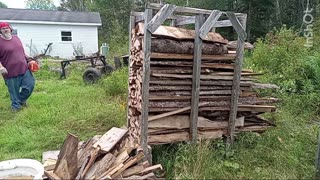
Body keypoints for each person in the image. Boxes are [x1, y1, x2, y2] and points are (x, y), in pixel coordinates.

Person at [0, 22, 36, 112]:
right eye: (3, 28)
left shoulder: (16, 38)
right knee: (14, 91)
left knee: (30, 85)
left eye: (7, 27)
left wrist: (29, 59)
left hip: (24, 68)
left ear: (10, 29)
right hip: (10, 71)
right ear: (0, 31)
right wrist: (1, 67)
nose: (5, 29)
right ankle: (15, 107)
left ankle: (21, 100)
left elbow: (22, 52)